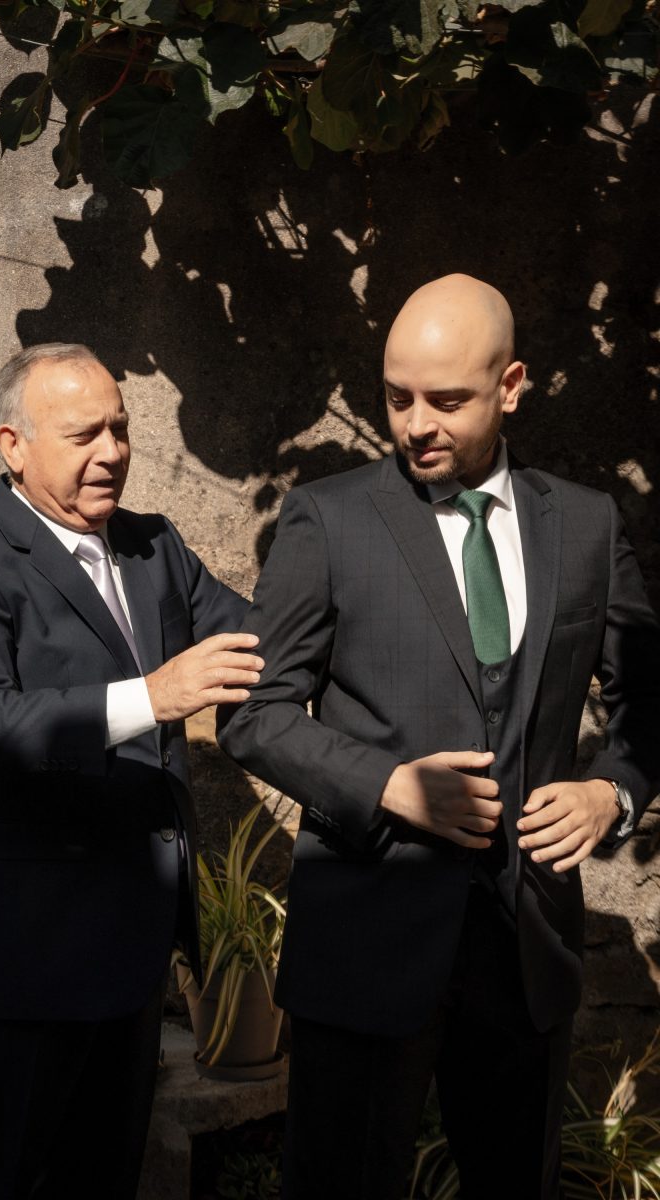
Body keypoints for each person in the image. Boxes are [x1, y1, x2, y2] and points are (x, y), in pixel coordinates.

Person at [218, 275, 660, 1200]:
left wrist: (610, 791)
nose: (416, 424)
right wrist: (385, 785)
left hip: (527, 955)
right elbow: (252, 715)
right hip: (365, 949)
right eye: (397, 397)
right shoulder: (328, 519)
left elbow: (648, 699)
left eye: (447, 401)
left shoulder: (585, 524)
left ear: (511, 386)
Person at [0, 343, 263, 1200]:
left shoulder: (153, 546)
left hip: (130, 958)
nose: (111, 452)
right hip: (17, 962)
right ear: (13, 445)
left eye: (120, 429)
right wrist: (152, 696)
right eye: (83, 434)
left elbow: (260, 641)